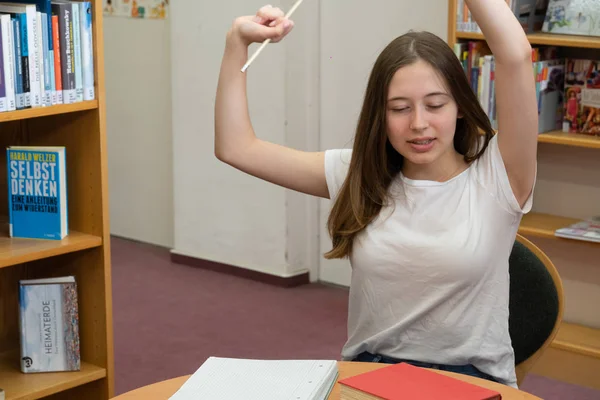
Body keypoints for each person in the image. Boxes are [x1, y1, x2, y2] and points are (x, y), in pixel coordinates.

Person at [214, 0, 538, 389]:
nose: (419, 124)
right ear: (379, 116)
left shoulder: (499, 177)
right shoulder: (359, 174)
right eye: (399, 109)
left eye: (435, 105)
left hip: (472, 382)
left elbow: (516, 55)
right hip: (371, 375)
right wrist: (237, 42)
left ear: (460, 108)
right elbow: (236, 147)